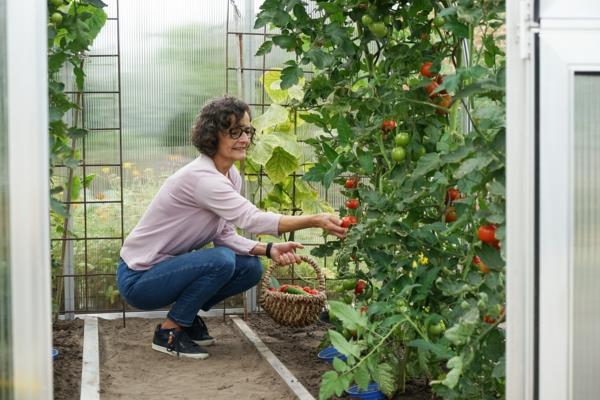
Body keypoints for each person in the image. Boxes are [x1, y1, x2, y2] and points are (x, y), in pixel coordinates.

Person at [116, 96, 346, 359]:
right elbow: (252, 219)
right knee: (222, 260)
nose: (245, 139)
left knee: (249, 268)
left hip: (165, 268)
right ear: (212, 134)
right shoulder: (202, 178)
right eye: (234, 131)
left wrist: (268, 248)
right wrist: (314, 220)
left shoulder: (229, 175)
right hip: (139, 278)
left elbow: (223, 234)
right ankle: (170, 331)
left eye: (247, 130)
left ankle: (186, 319)